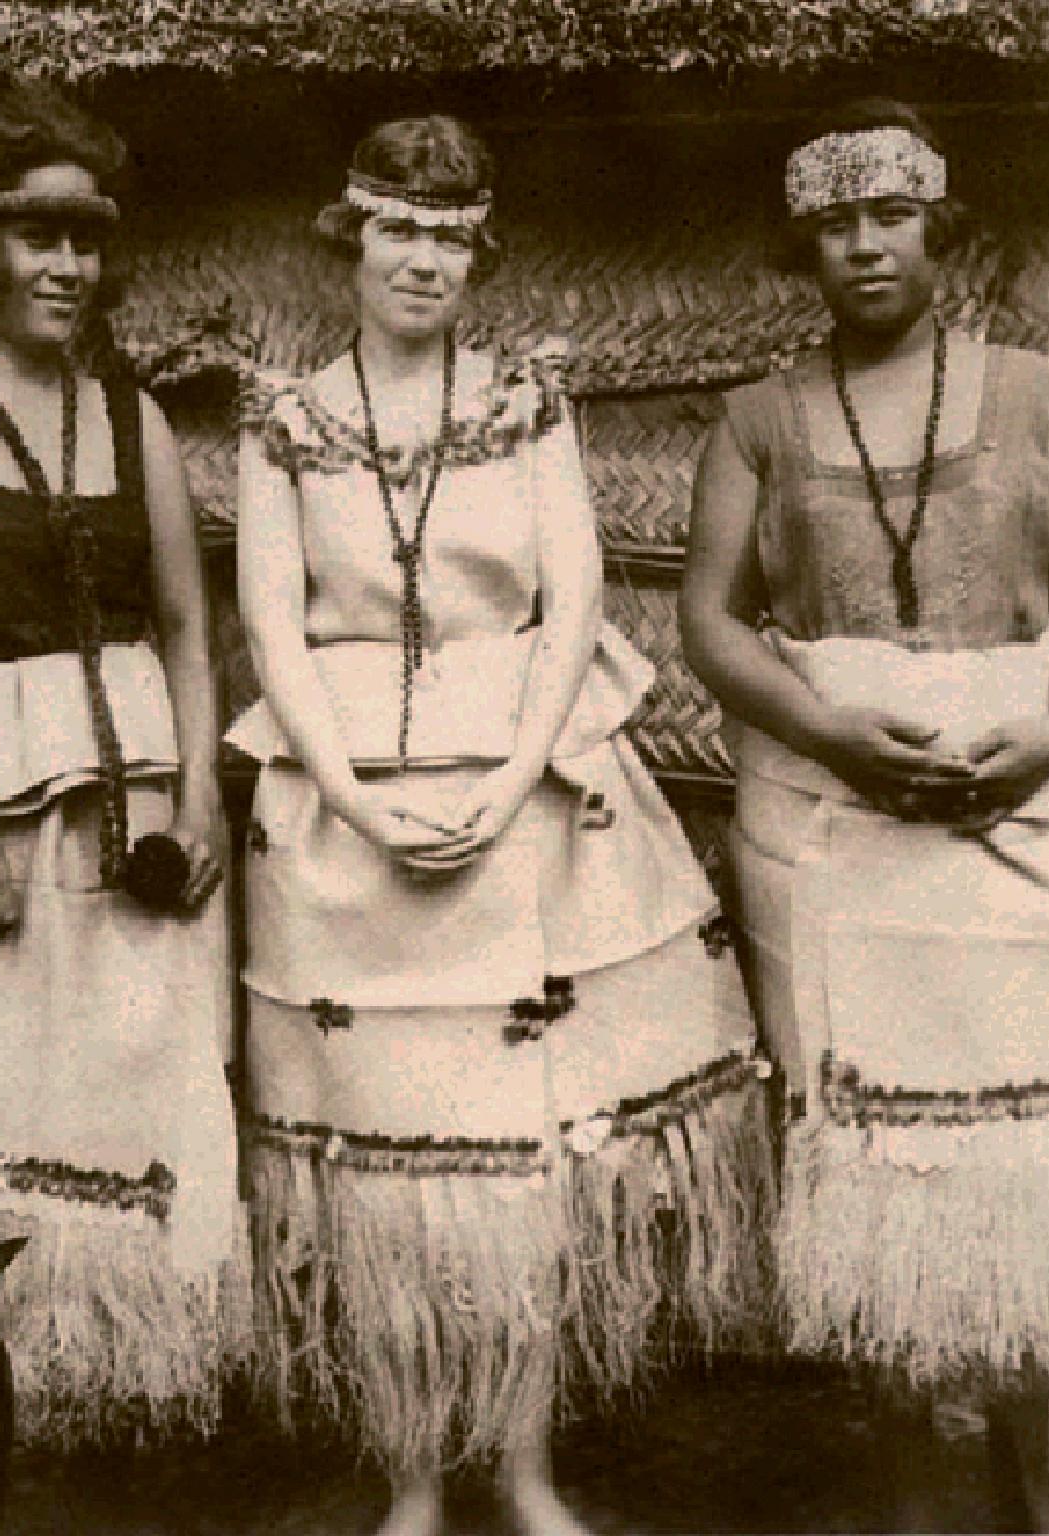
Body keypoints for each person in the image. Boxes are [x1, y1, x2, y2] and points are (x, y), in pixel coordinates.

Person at [231, 115, 772, 1536]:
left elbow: (573, 603)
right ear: (351, 241)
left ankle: (526, 1472)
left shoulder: (527, 402)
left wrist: (522, 768)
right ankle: (413, 1475)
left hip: (531, 801)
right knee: (391, 1169)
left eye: (450, 237)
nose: (424, 261)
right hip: (350, 814)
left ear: (479, 253)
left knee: (523, 1154)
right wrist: (350, 794)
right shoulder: (288, 421)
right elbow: (273, 630)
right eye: (398, 232)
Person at [681, 98, 1049, 1527]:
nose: (861, 248)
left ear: (937, 229)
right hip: (834, 840)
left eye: (888, 217)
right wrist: (830, 728)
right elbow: (710, 624)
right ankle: (920, 1493)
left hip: (1020, 826)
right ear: (803, 246)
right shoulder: (757, 418)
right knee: (882, 1189)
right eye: (833, 225)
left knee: (1035, 1183)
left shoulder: (1036, 393)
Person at [0, 87, 249, 1450]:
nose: (63, 269)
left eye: (85, 241)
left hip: (134, 828)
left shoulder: (130, 419)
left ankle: (80, 1451)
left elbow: (180, 625)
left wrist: (203, 796)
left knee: (119, 1114)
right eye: (31, 237)